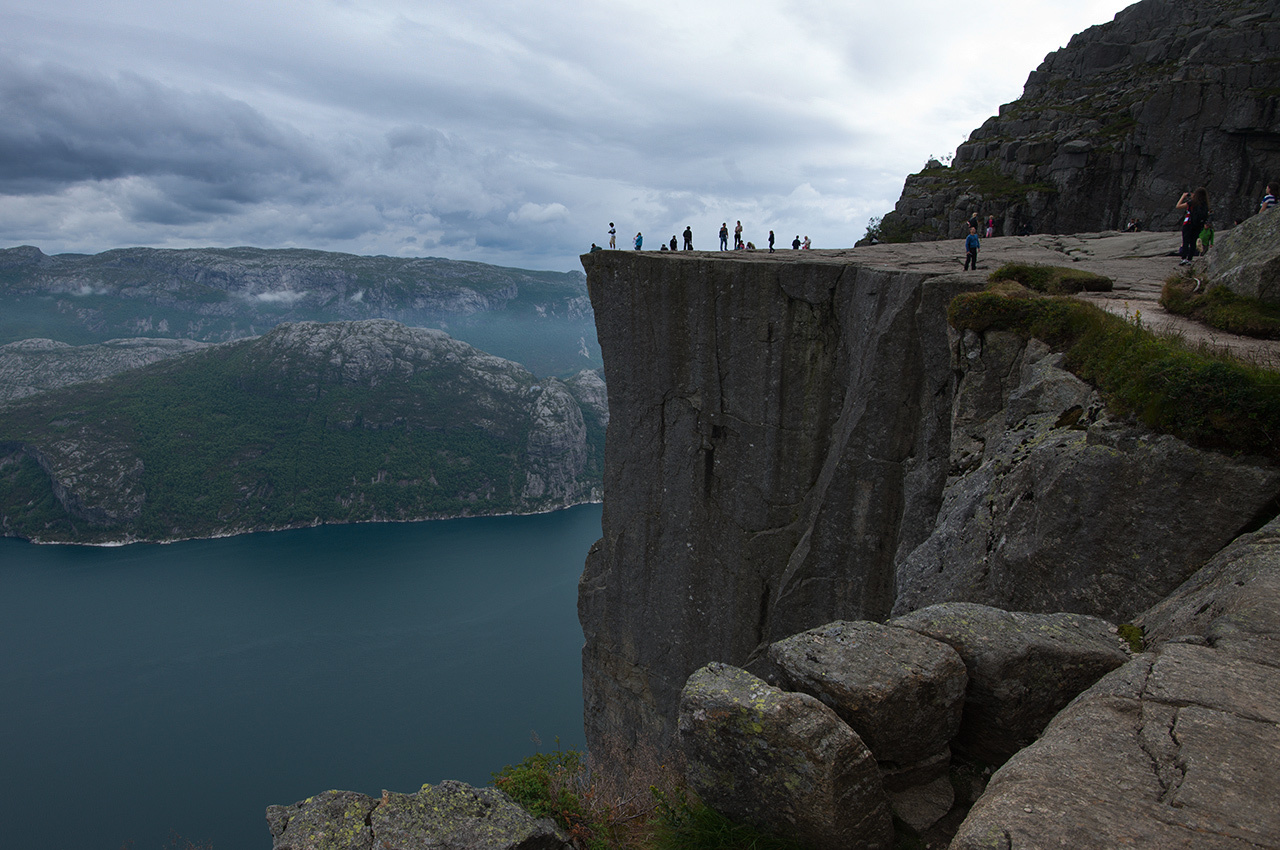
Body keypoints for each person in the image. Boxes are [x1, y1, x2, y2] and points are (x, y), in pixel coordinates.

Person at [1176, 187, 1209, 265]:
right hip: (1197, 225)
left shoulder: (1192, 202)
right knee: (1193, 242)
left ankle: (1184, 258)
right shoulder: (1205, 204)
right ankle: (1190, 259)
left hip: (1188, 224)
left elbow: (1178, 206)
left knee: (1186, 241)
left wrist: (1183, 196)